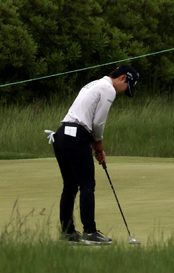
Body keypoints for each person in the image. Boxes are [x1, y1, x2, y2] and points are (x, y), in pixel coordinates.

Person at [48, 64, 140, 245]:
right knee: (87, 185)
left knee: (70, 186)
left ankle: (67, 234)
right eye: (126, 87)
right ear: (122, 78)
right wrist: (98, 143)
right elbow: (98, 122)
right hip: (76, 136)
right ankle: (89, 233)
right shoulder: (108, 89)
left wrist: (95, 144)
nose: (122, 92)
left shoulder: (93, 84)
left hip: (60, 135)